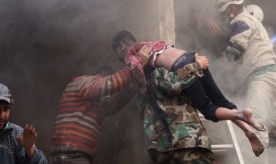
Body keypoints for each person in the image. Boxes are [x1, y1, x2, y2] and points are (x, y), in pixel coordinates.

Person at [112, 33, 239, 164]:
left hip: (160, 148)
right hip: (185, 139)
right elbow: (172, 84)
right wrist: (197, 66)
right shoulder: (152, 70)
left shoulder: (134, 81)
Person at [111, 30, 266, 156]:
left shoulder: (132, 55)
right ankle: (248, 129)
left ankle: (239, 115)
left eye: (117, 51)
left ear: (122, 46)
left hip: (181, 65)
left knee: (208, 109)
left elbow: (135, 72)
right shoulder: (150, 44)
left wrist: (141, 79)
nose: (118, 56)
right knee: (222, 101)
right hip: (191, 56)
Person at [50, 46, 152, 164]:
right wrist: (136, 67)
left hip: (71, 158)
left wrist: (135, 84)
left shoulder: (96, 101)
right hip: (70, 156)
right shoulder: (82, 82)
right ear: (97, 76)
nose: (108, 93)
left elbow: (114, 104)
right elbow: (107, 85)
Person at [217, 0, 276, 147]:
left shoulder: (241, 21)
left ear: (231, 8)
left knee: (254, 126)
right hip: (274, 79)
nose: (224, 17)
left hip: (262, 81)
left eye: (224, 13)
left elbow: (234, 52)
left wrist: (211, 74)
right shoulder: (253, 22)